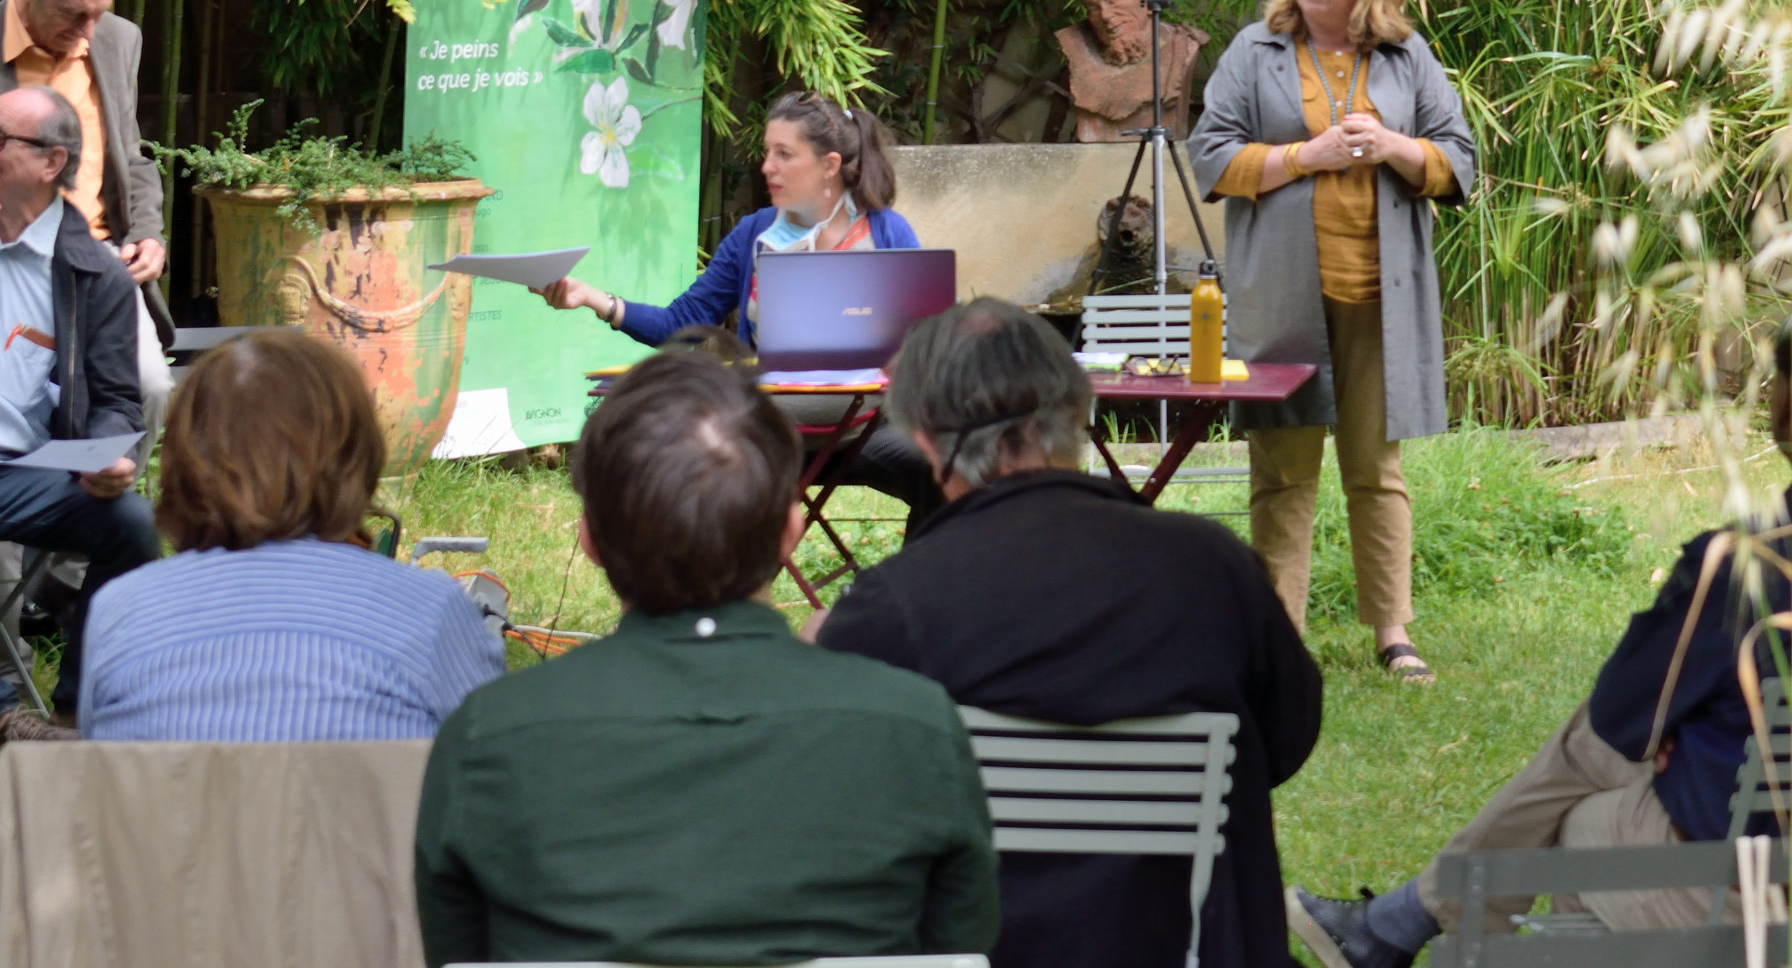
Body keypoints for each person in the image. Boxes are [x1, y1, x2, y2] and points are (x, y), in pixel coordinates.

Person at [1287, 285, 1792, 968]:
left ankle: (1409, 925)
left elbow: (1620, 717)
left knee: (1579, 813)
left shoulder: (1745, 561)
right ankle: (1399, 923)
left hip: (1748, 894)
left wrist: (1680, 735)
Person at [413, 343, 999, 967]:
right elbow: (959, 943)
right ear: (790, 532)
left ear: (589, 540)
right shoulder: (916, 726)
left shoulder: (488, 736)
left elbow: (456, 948)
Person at [815, 299, 1322, 968]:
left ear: (927, 441)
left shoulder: (890, 609)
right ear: (1079, 414)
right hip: (1193, 942)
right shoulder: (1211, 566)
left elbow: (836, 805)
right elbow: (1285, 739)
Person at [1190, 0, 1477, 683]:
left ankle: (1394, 632)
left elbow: (1461, 160)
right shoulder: (1254, 53)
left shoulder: (1406, 55)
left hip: (1381, 297)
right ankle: (1279, 635)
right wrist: (1303, 155)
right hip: (1283, 296)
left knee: (1375, 466)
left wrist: (1396, 146)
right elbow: (1210, 157)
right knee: (1281, 468)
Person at [79, 330, 504, 740]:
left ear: (183, 460)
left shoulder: (118, 610)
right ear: (356, 453)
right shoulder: (431, 612)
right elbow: (493, 769)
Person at [534, 89, 941, 515]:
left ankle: (912, 582)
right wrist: (593, 298)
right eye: (767, 152)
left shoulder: (889, 233)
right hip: (763, 435)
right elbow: (683, 324)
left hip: (864, 431)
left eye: (784, 154)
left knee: (943, 467)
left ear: (829, 166)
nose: (767, 167)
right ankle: (718, 577)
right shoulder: (753, 234)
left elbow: (927, 345)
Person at [0, 84, 159, 732]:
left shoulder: (95, 273)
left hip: (30, 471)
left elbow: (119, 398)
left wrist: (110, 454)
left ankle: (71, 715)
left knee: (131, 522)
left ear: (50, 162)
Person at [0, 0, 171, 412]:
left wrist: (148, 233)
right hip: (12, 259)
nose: (87, 32)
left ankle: (108, 487)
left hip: (98, 260)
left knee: (151, 389)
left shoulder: (117, 40)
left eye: (100, 12)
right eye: (74, 14)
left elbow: (130, 158)